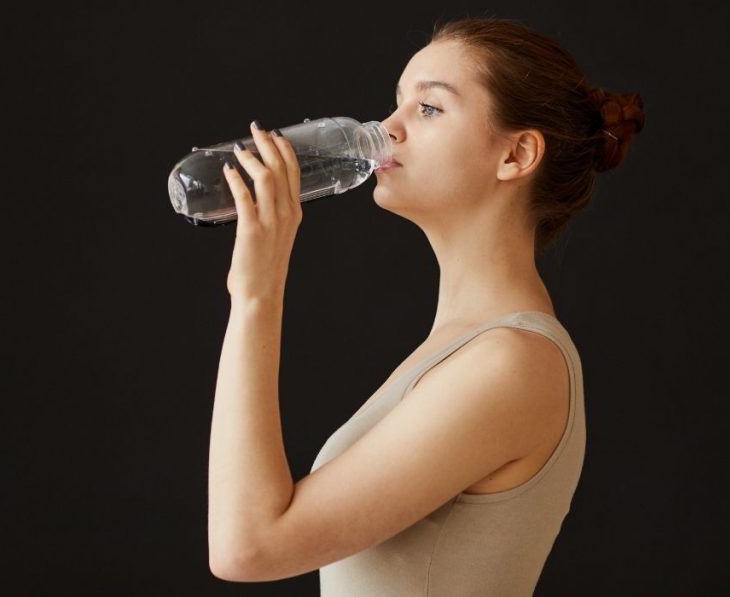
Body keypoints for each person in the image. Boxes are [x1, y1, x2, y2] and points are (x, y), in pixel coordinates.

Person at [206, 15, 645, 595]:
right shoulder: (462, 347)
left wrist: (256, 293)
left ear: (516, 155)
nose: (387, 129)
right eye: (395, 104)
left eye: (429, 108)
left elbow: (249, 546)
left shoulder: (511, 363)